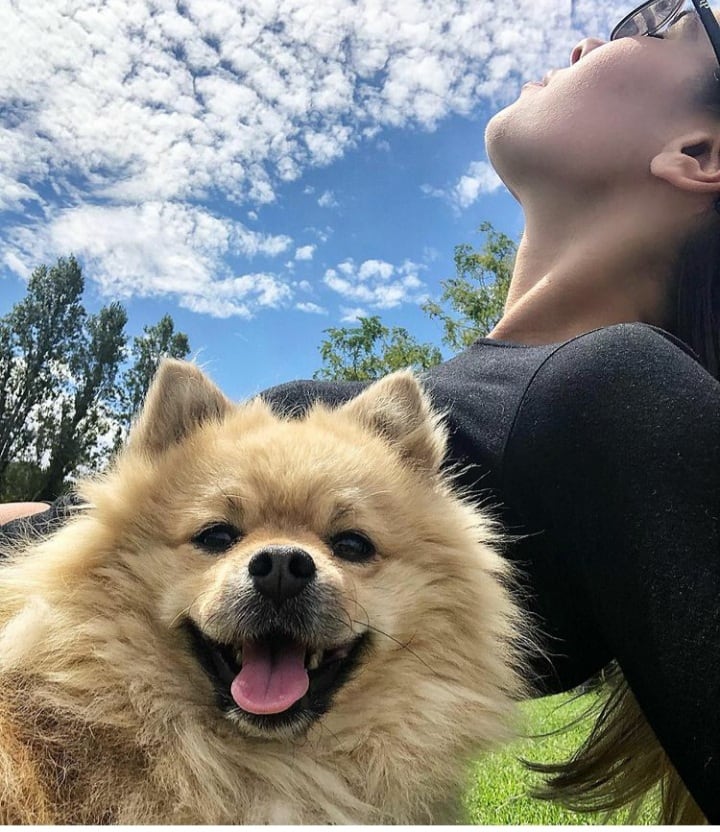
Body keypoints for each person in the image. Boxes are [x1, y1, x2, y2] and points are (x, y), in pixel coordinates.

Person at [3, 0, 720, 822]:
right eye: (223, 534)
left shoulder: (621, 387)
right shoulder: (492, 389)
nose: (589, 36)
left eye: (652, 25)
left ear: (696, 153)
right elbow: (63, 534)